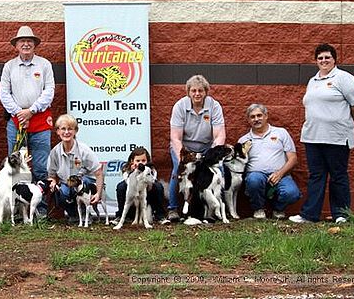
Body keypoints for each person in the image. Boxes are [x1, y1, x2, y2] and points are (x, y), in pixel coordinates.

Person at [290, 43, 354, 224]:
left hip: (337, 137)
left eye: (327, 57)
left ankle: (341, 215)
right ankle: (309, 215)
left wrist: (344, 121)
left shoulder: (343, 78)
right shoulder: (312, 81)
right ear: (316, 61)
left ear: (334, 59)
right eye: (320, 58)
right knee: (316, 175)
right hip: (312, 136)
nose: (324, 61)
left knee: (338, 175)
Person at [0, 25, 55, 216]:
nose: (25, 44)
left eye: (29, 41)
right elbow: (4, 93)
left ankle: (40, 211)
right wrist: (19, 113)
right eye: (22, 41)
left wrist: (31, 111)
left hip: (39, 122)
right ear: (16, 45)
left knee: (40, 167)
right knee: (17, 168)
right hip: (17, 123)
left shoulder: (44, 65)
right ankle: (18, 211)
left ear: (34, 45)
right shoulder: (9, 66)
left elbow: (49, 92)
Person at [168, 74, 226, 221]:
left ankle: (218, 210)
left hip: (207, 147)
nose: (197, 94)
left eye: (200, 90)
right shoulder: (180, 106)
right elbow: (175, 137)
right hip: (184, 148)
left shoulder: (214, 106)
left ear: (206, 92)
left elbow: (220, 135)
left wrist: (213, 155)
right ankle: (172, 209)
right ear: (188, 92)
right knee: (177, 171)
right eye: (193, 91)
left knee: (219, 171)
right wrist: (183, 157)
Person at [238, 104, 301, 219]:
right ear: (248, 120)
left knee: (292, 193)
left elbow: (293, 159)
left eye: (259, 115)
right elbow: (239, 164)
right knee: (254, 180)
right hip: (255, 175)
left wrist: (279, 173)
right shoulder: (244, 140)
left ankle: (278, 209)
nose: (256, 119)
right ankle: (258, 209)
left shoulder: (281, 133)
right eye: (252, 117)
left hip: (281, 175)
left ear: (266, 116)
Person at [47, 114, 103, 223]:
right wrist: (52, 183)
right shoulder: (54, 153)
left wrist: (98, 193)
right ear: (58, 131)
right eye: (63, 129)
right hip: (67, 184)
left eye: (70, 129)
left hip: (84, 183)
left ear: (75, 131)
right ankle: (74, 215)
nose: (66, 132)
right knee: (61, 193)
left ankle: (85, 213)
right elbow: (51, 176)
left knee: (84, 182)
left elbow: (99, 172)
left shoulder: (84, 150)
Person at [111, 147, 170, 225]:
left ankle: (160, 215)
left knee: (158, 186)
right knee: (121, 187)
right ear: (132, 161)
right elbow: (128, 182)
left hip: (147, 194)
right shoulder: (127, 169)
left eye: (143, 161)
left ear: (147, 161)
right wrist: (133, 173)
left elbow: (152, 182)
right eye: (138, 161)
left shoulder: (150, 170)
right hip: (132, 194)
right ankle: (121, 216)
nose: (140, 163)